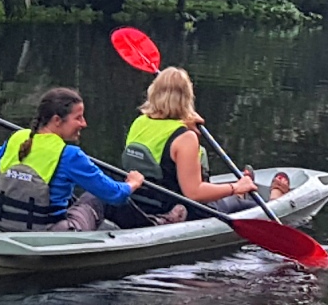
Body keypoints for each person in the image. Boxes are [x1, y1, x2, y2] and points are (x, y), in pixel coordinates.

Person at [0, 87, 183, 231]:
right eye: (78, 118)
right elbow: (115, 195)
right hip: (51, 231)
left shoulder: (17, 139)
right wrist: (132, 184)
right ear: (56, 120)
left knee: (68, 194)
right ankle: (157, 225)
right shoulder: (70, 155)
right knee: (96, 196)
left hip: (5, 224)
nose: (84, 123)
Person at [122, 67, 291, 220]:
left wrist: (183, 122)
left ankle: (240, 193)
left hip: (140, 202)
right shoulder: (185, 138)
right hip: (179, 209)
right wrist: (235, 186)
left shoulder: (140, 122)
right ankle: (270, 200)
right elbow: (194, 193)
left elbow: (163, 139)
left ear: (154, 92)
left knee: (225, 194)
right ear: (187, 98)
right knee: (240, 204)